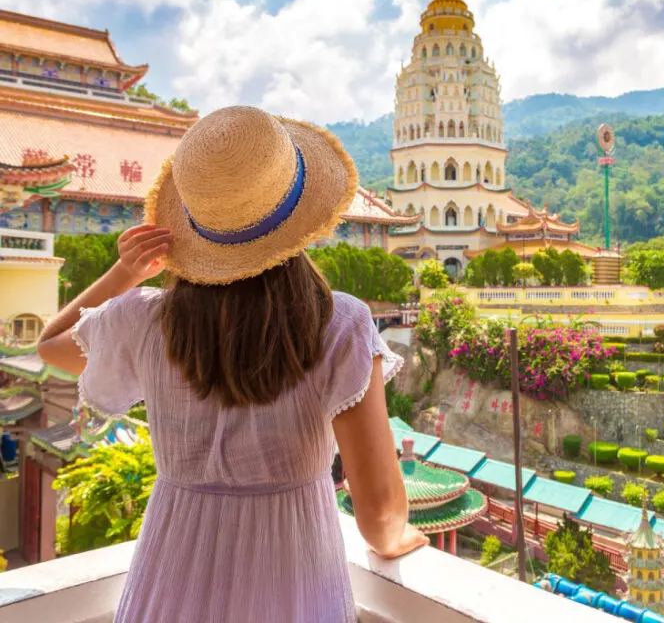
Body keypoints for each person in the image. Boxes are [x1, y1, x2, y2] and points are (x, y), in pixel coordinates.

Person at [37, 106, 428, 623]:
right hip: (294, 580)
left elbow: (51, 344)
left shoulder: (146, 320)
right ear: (300, 221)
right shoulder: (339, 323)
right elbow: (378, 515)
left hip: (169, 576)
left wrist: (124, 273)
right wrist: (401, 536)